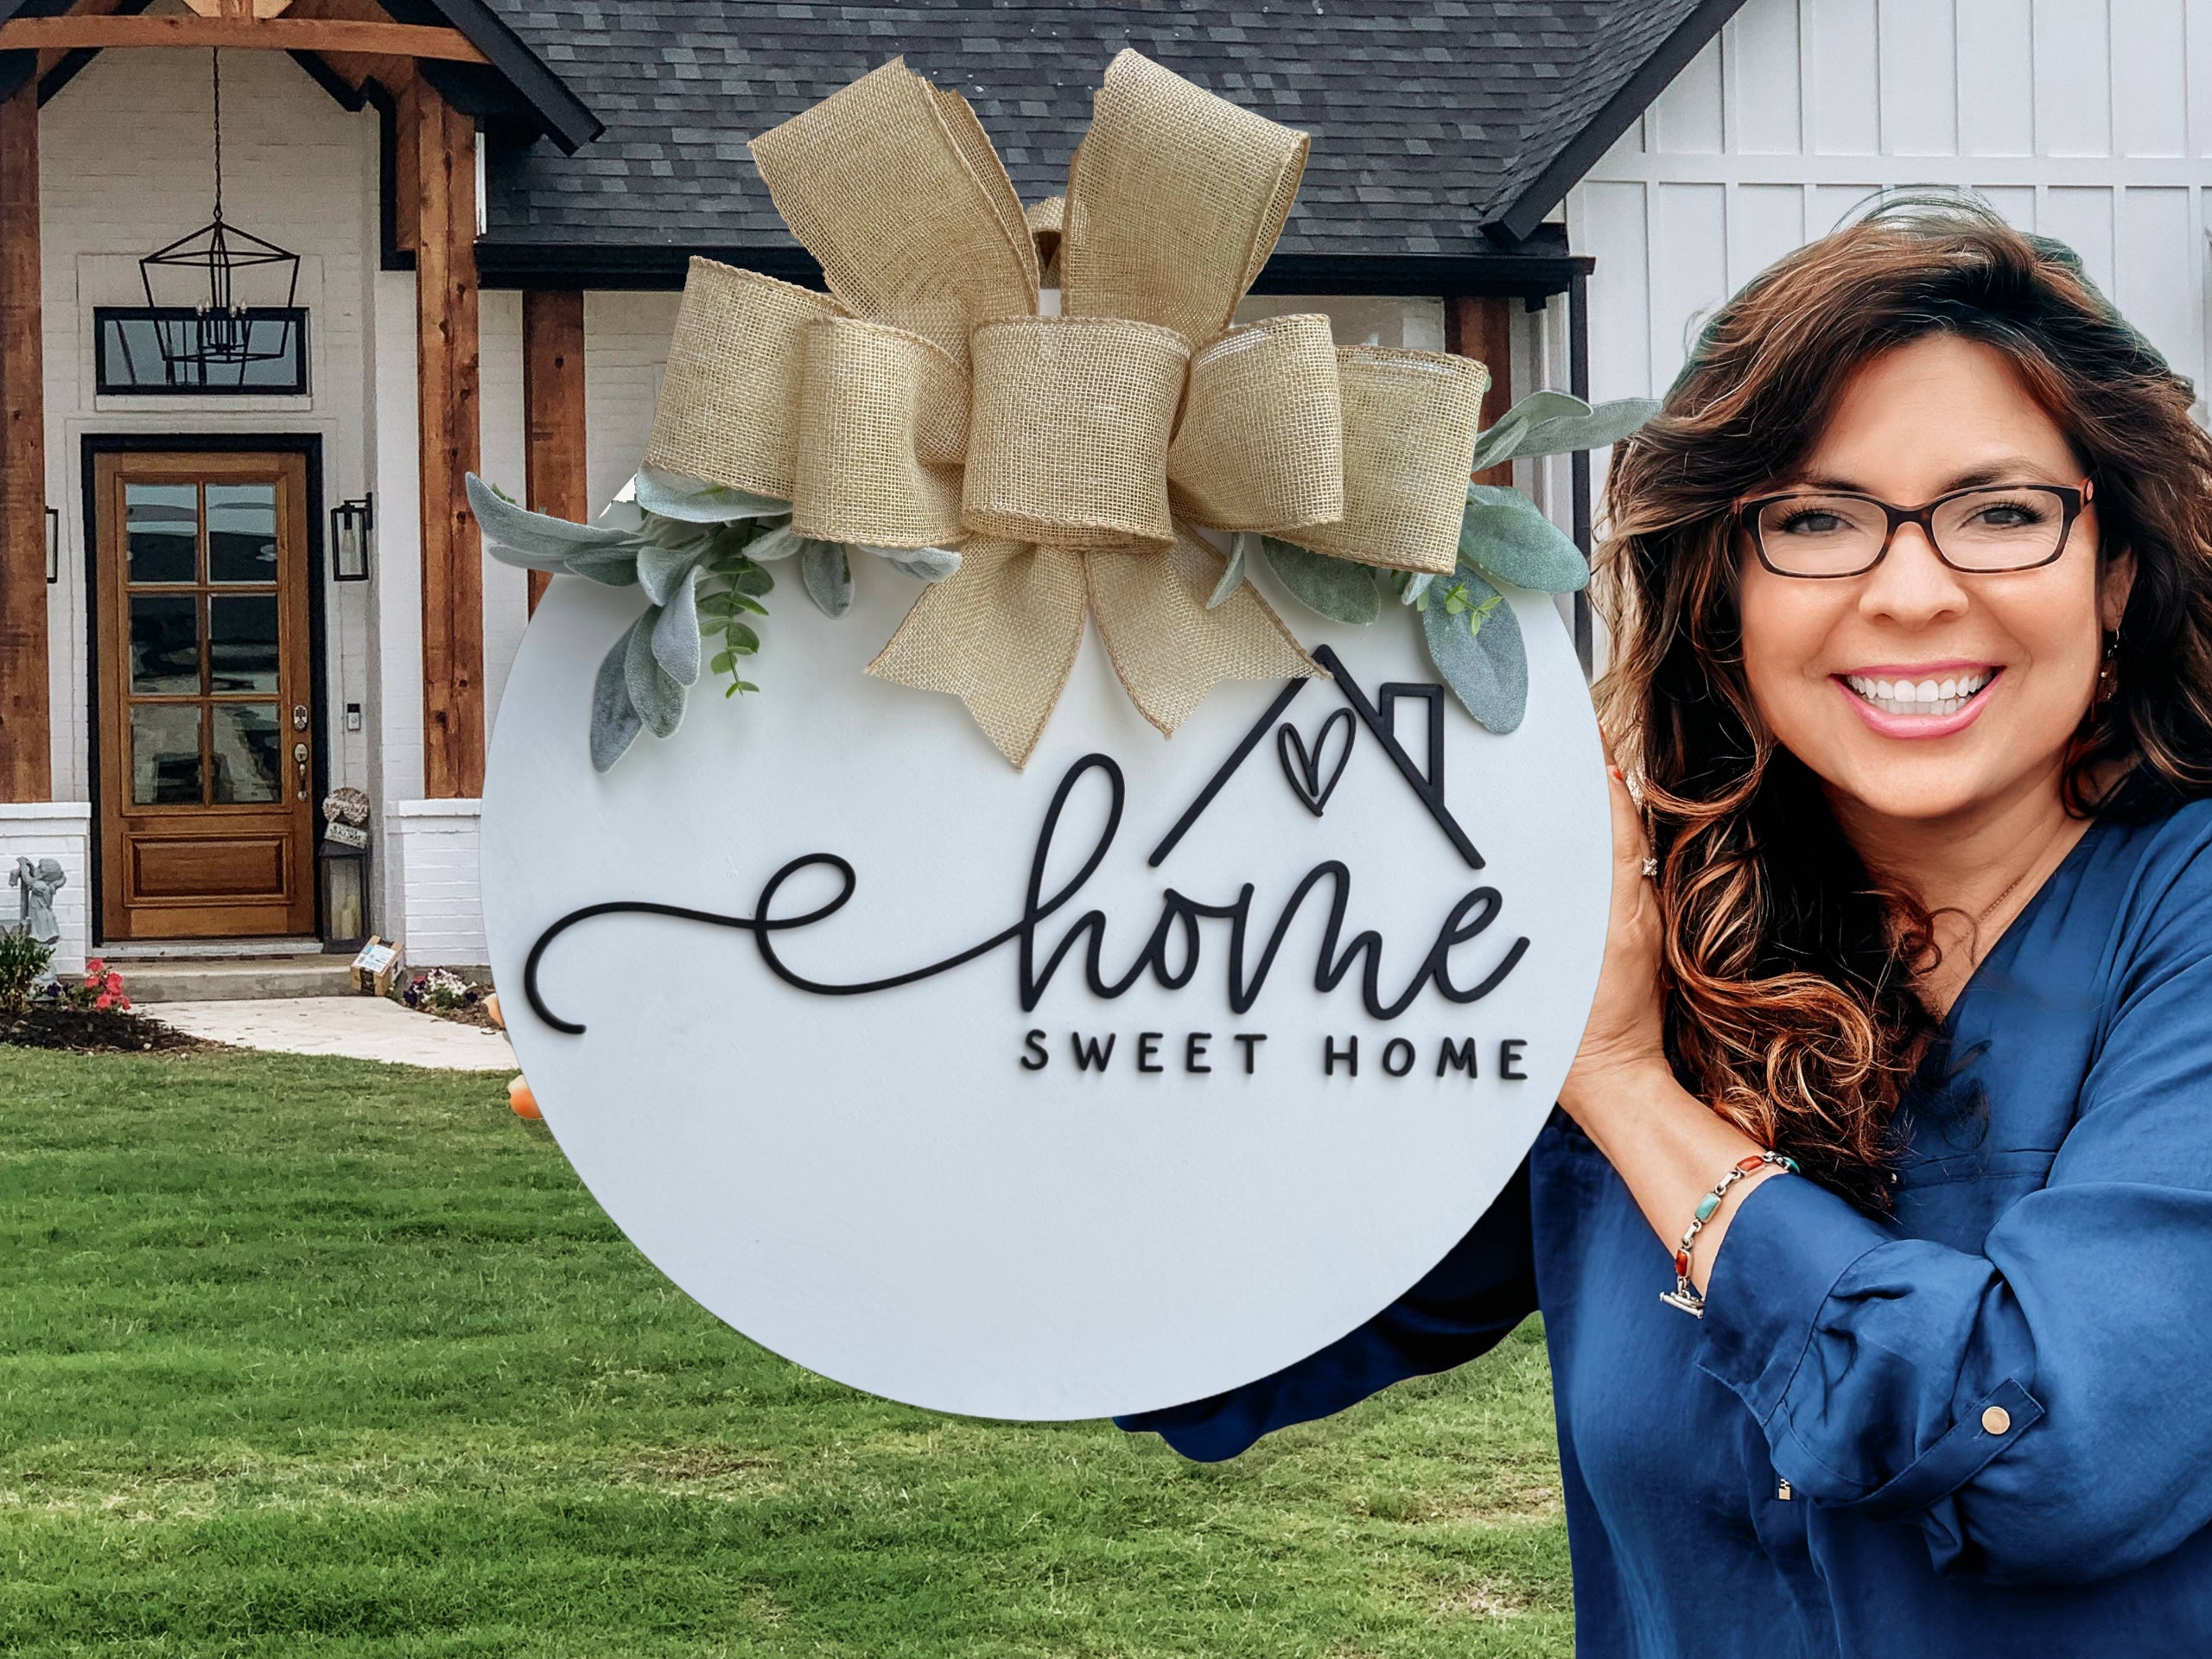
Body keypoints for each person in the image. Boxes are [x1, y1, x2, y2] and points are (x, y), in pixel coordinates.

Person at [1117, 194, 2212, 1656]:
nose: (1907, 591)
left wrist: (1629, 1092)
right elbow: (1219, 1346)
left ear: (2117, 572)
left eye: (2002, 513)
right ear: (1724, 593)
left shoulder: (2178, 925)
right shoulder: (1640, 933)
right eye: (1815, 521)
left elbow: (2046, 1457)